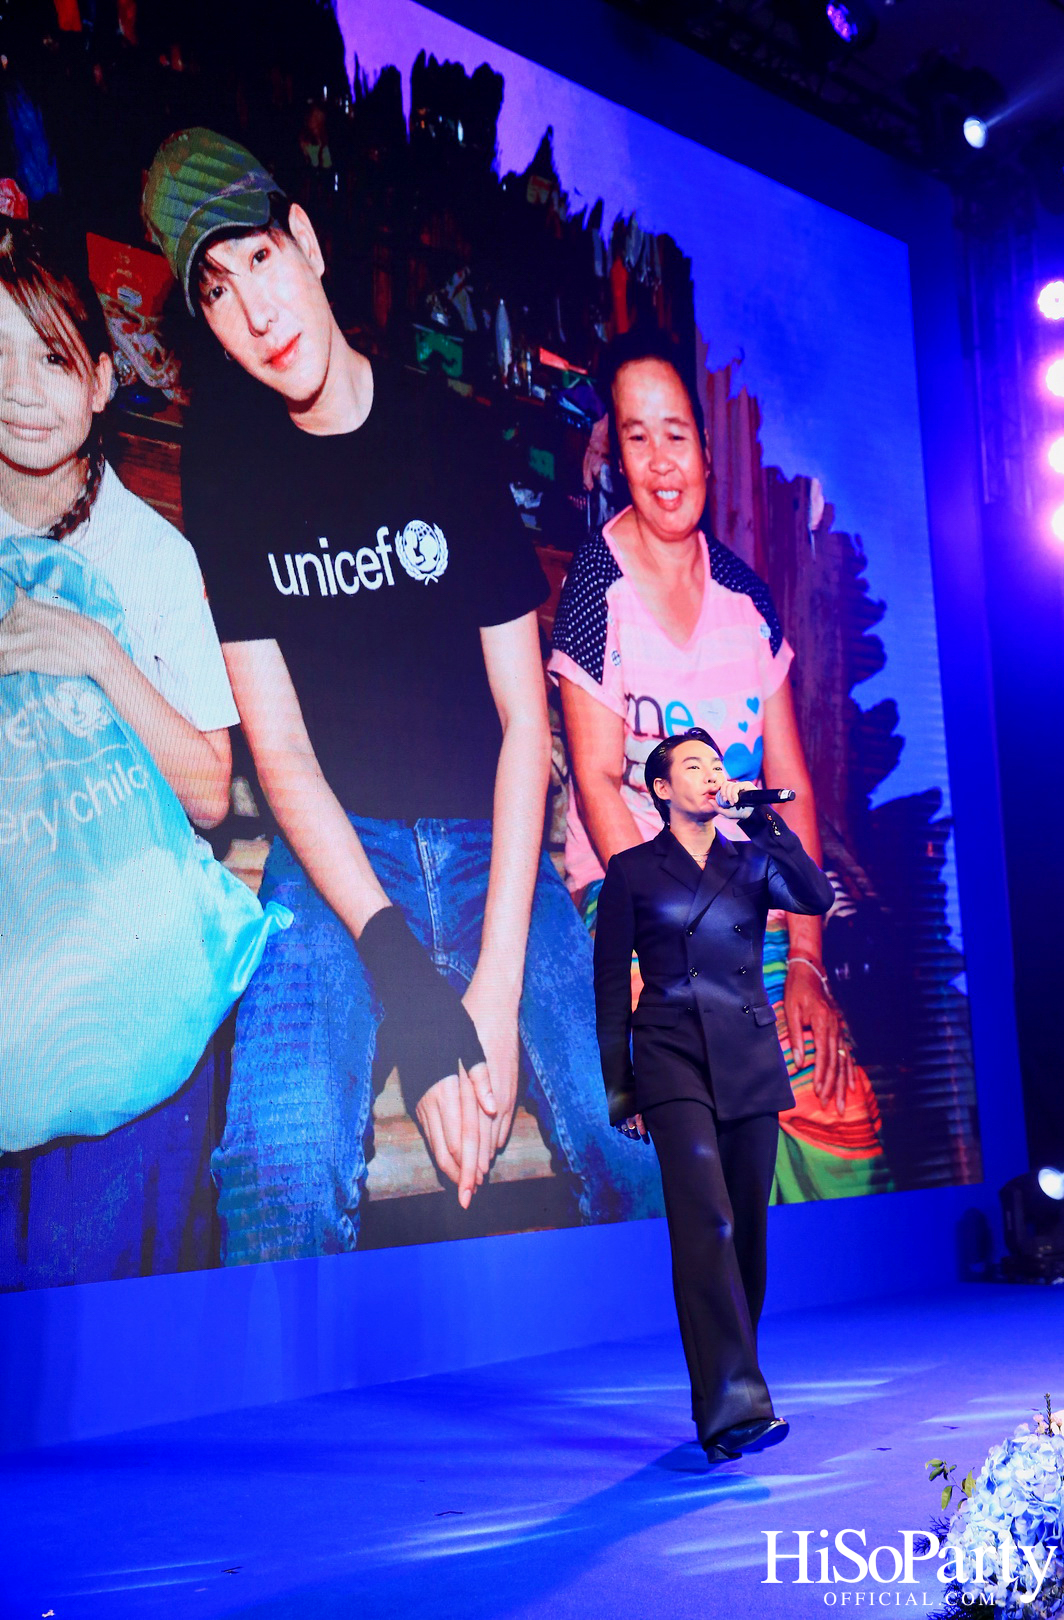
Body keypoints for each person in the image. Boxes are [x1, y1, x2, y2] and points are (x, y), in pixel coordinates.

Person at [140, 128, 661, 1265]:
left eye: (260, 261)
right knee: (274, 1162)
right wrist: (421, 1011)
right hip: (336, 865)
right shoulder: (225, 469)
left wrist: (496, 987)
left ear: (309, 244)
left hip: (495, 843)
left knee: (634, 1139)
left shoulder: (448, 435)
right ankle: (296, 1440)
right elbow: (280, 754)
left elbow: (529, 723)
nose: (255, 313)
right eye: (216, 294)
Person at [552, 327, 891, 1202]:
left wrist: (806, 958)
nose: (662, 461)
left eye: (677, 434)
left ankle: (835, 1317)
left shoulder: (749, 598)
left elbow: (794, 788)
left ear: (705, 446)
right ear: (615, 455)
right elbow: (595, 780)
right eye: (636, 436)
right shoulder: (596, 588)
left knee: (832, 1099)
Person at [0, 200, 240, 1287]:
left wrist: (98, 652)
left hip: (129, 993)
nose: (19, 389)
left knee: (94, 1337)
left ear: (101, 379)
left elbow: (209, 793)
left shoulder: (151, 557)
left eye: (49, 358)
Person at [593, 728, 834, 1460]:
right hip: (669, 1055)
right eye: (692, 766)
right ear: (661, 789)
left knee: (748, 1239)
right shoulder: (632, 870)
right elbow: (607, 986)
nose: (710, 775)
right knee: (708, 1225)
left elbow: (816, 897)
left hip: (749, 1055)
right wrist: (620, 1089)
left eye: (718, 766)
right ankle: (733, 1408)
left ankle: (734, 1389)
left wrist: (760, 816)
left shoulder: (752, 858)